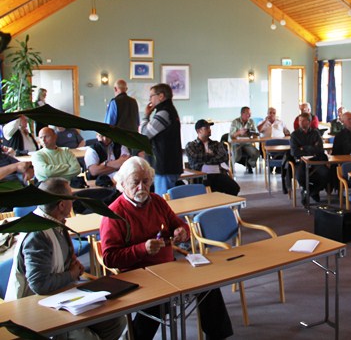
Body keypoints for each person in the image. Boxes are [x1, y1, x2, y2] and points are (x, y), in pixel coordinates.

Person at [100, 157, 233, 340]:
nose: (141, 187)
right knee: (157, 301)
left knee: (208, 285)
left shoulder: (157, 201)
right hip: (137, 275)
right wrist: (142, 249)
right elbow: (109, 258)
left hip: (168, 267)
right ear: (122, 184)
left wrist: (182, 232)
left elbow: (178, 225)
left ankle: (217, 336)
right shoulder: (113, 214)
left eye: (146, 181)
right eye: (135, 183)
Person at [5, 177, 126, 340]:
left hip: (64, 295)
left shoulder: (55, 223)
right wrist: (71, 273)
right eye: (71, 196)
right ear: (62, 205)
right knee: (86, 338)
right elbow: (39, 285)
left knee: (116, 321)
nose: (74, 200)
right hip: (36, 306)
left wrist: (73, 267)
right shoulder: (37, 235)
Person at [140, 83, 183, 195]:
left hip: (165, 166)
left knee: (163, 200)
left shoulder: (164, 112)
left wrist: (146, 116)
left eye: (151, 96)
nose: (150, 99)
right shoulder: (169, 110)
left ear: (161, 96)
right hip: (169, 164)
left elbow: (144, 134)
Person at [186, 119, 240, 196]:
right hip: (201, 176)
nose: (209, 130)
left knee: (234, 188)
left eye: (209, 128)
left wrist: (205, 160)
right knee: (209, 187)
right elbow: (195, 158)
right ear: (198, 131)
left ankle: (224, 203)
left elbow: (223, 157)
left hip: (218, 173)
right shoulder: (191, 145)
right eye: (206, 128)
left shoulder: (216, 144)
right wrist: (211, 155)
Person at [290, 112, 329, 203]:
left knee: (326, 174)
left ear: (309, 122)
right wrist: (312, 148)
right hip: (301, 161)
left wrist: (303, 148)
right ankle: (310, 191)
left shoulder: (315, 133)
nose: (300, 122)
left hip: (315, 160)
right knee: (300, 176)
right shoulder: (295, 135)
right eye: (300, 120)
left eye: (303, 120)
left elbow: (320, 149)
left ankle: (310, 192)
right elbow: (294, 152)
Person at [229, 106, 260, 174]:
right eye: (248, 114)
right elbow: (231, 135)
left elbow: (255, 132)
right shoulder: (235, 122)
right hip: (236, 143)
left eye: (250, 114)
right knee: (237, 156)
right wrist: (239, 132)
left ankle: (249, 163)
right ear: (242, 113)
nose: (249, 115)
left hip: (247, 143)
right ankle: (230, 168)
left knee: (256, 153)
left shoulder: (251, 121)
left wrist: (253, 134)